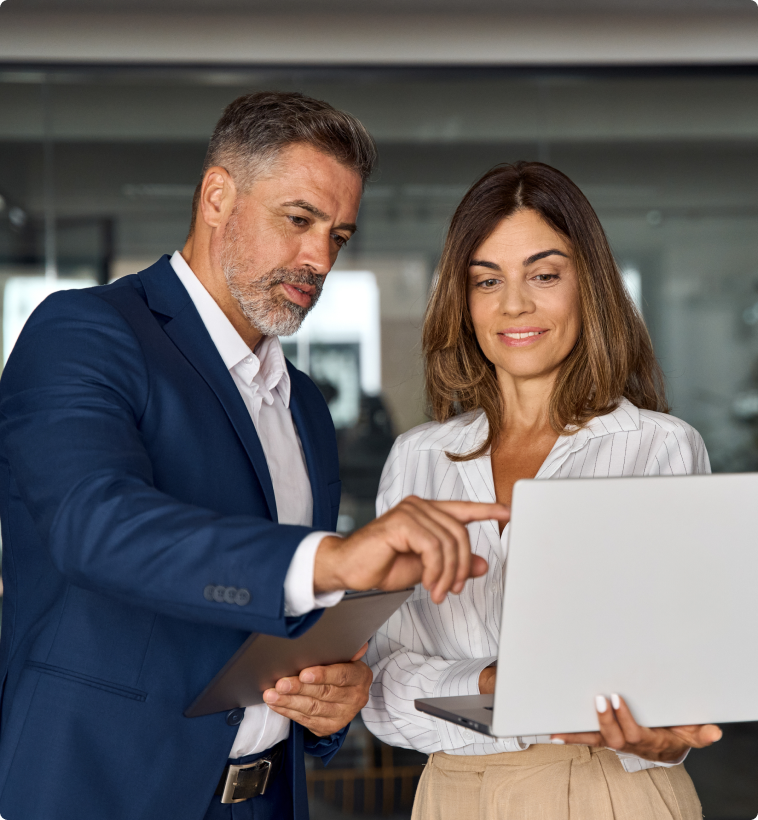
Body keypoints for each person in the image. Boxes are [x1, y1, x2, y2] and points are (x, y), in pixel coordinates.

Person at [0, 92, 508, 820]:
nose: (318, 258)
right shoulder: (85, 332)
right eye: (298, 220)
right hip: (102, 790)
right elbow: (95, 525)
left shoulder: (303, 404)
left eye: (337, 234)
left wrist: (330, 700)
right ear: (217, 196)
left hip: (268, 800)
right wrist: (329, 560)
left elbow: (281, 628)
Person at [363, 161, 723, 819]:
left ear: (589, 286)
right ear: (463, 299)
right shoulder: (418, 459)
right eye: (487, 281)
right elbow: (382, 691)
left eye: (544, 275)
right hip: (450, 795)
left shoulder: (659, 447)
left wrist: (661, 737)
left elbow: (682, 685)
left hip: (610, 789)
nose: (514, 305)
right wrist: (491, 684)